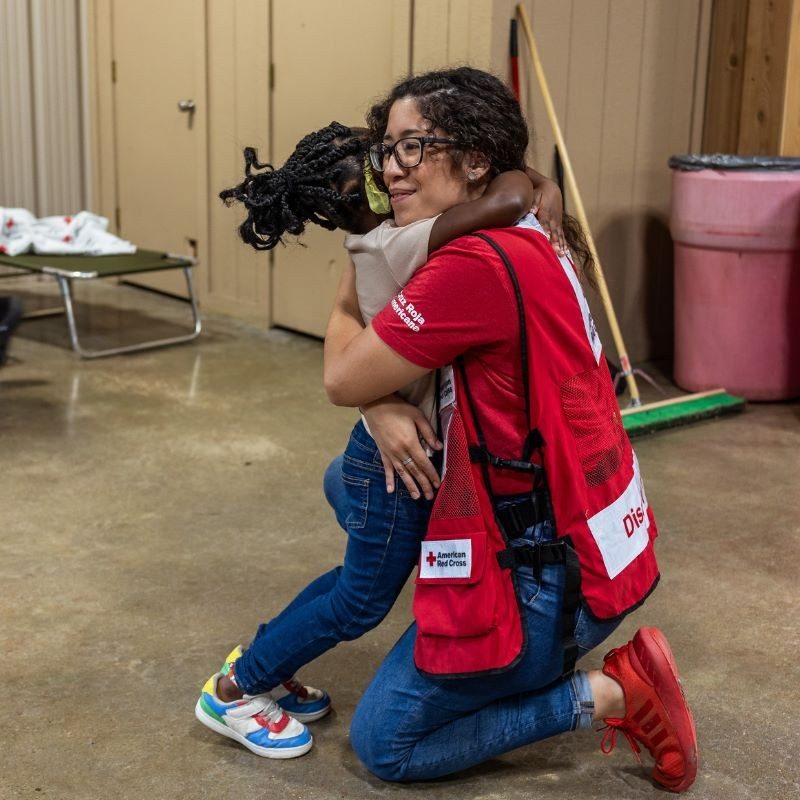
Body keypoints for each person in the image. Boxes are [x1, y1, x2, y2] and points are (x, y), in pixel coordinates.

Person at [323, 67, 698, 792]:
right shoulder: (523, 223)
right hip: (600, 545)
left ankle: (610, 691)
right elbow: (364, 369)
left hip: (545, 581)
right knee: (349, 479)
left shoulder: (468, 266)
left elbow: (341, 376)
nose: (390, 171)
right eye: (386, 150)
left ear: (473, 161)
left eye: (412, 148)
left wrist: (370, 392)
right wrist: (378, 401)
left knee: (386, 743)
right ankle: (509, 652)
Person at [195, 122, 568, 758]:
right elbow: (505, 200)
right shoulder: (395, 242)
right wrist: (541, 184)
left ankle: (264, 658)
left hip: (395, 457)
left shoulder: (378, 239)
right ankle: (235, 691)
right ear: (356, 196)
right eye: (378, 170)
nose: (396, 175)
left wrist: (540, 183)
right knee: (360, 601)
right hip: (392, 468)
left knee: (353, 583)